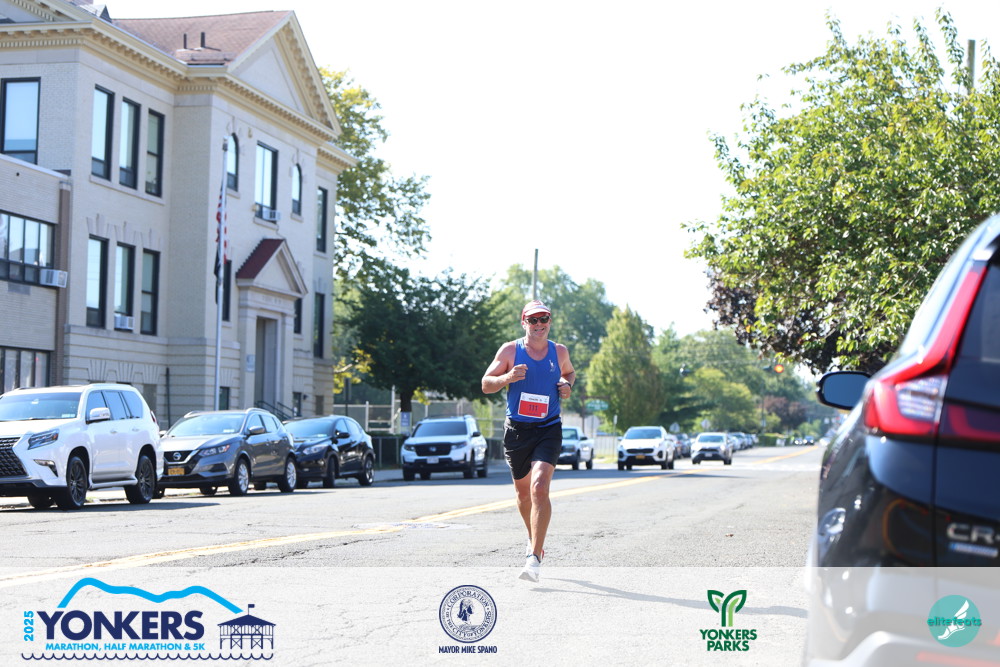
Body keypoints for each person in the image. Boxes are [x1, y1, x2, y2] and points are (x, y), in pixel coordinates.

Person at [481, 300, 575, 582]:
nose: (538, 324)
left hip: (548, 427)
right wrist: (507, 377)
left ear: (550, 321)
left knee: (539, 487)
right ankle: (533, 537)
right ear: (524, 322)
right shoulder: (510, 350)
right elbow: (486, 384)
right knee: (523, 495)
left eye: (543, 319)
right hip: (518, 431)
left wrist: (567, 385)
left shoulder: (559, 351)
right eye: (533, 320)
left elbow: (569, 372)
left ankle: (534, 558)